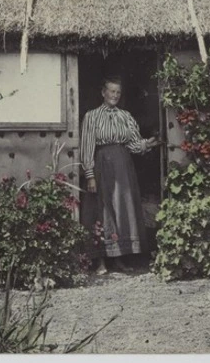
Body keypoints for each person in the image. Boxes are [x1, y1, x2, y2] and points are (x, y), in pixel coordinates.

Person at [80, 76, 160, 275]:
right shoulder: (92, 116)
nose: (114, 95)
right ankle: (101, 261)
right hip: (102, 164)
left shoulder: (125, 116)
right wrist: (90, 175)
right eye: (111, 91)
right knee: (102, 208)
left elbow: (133, 144)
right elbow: (87, 146)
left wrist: (146, 144)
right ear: (103, 92)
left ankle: (120, 260)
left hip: (123, 165)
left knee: (122, 208)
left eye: (118, 92)